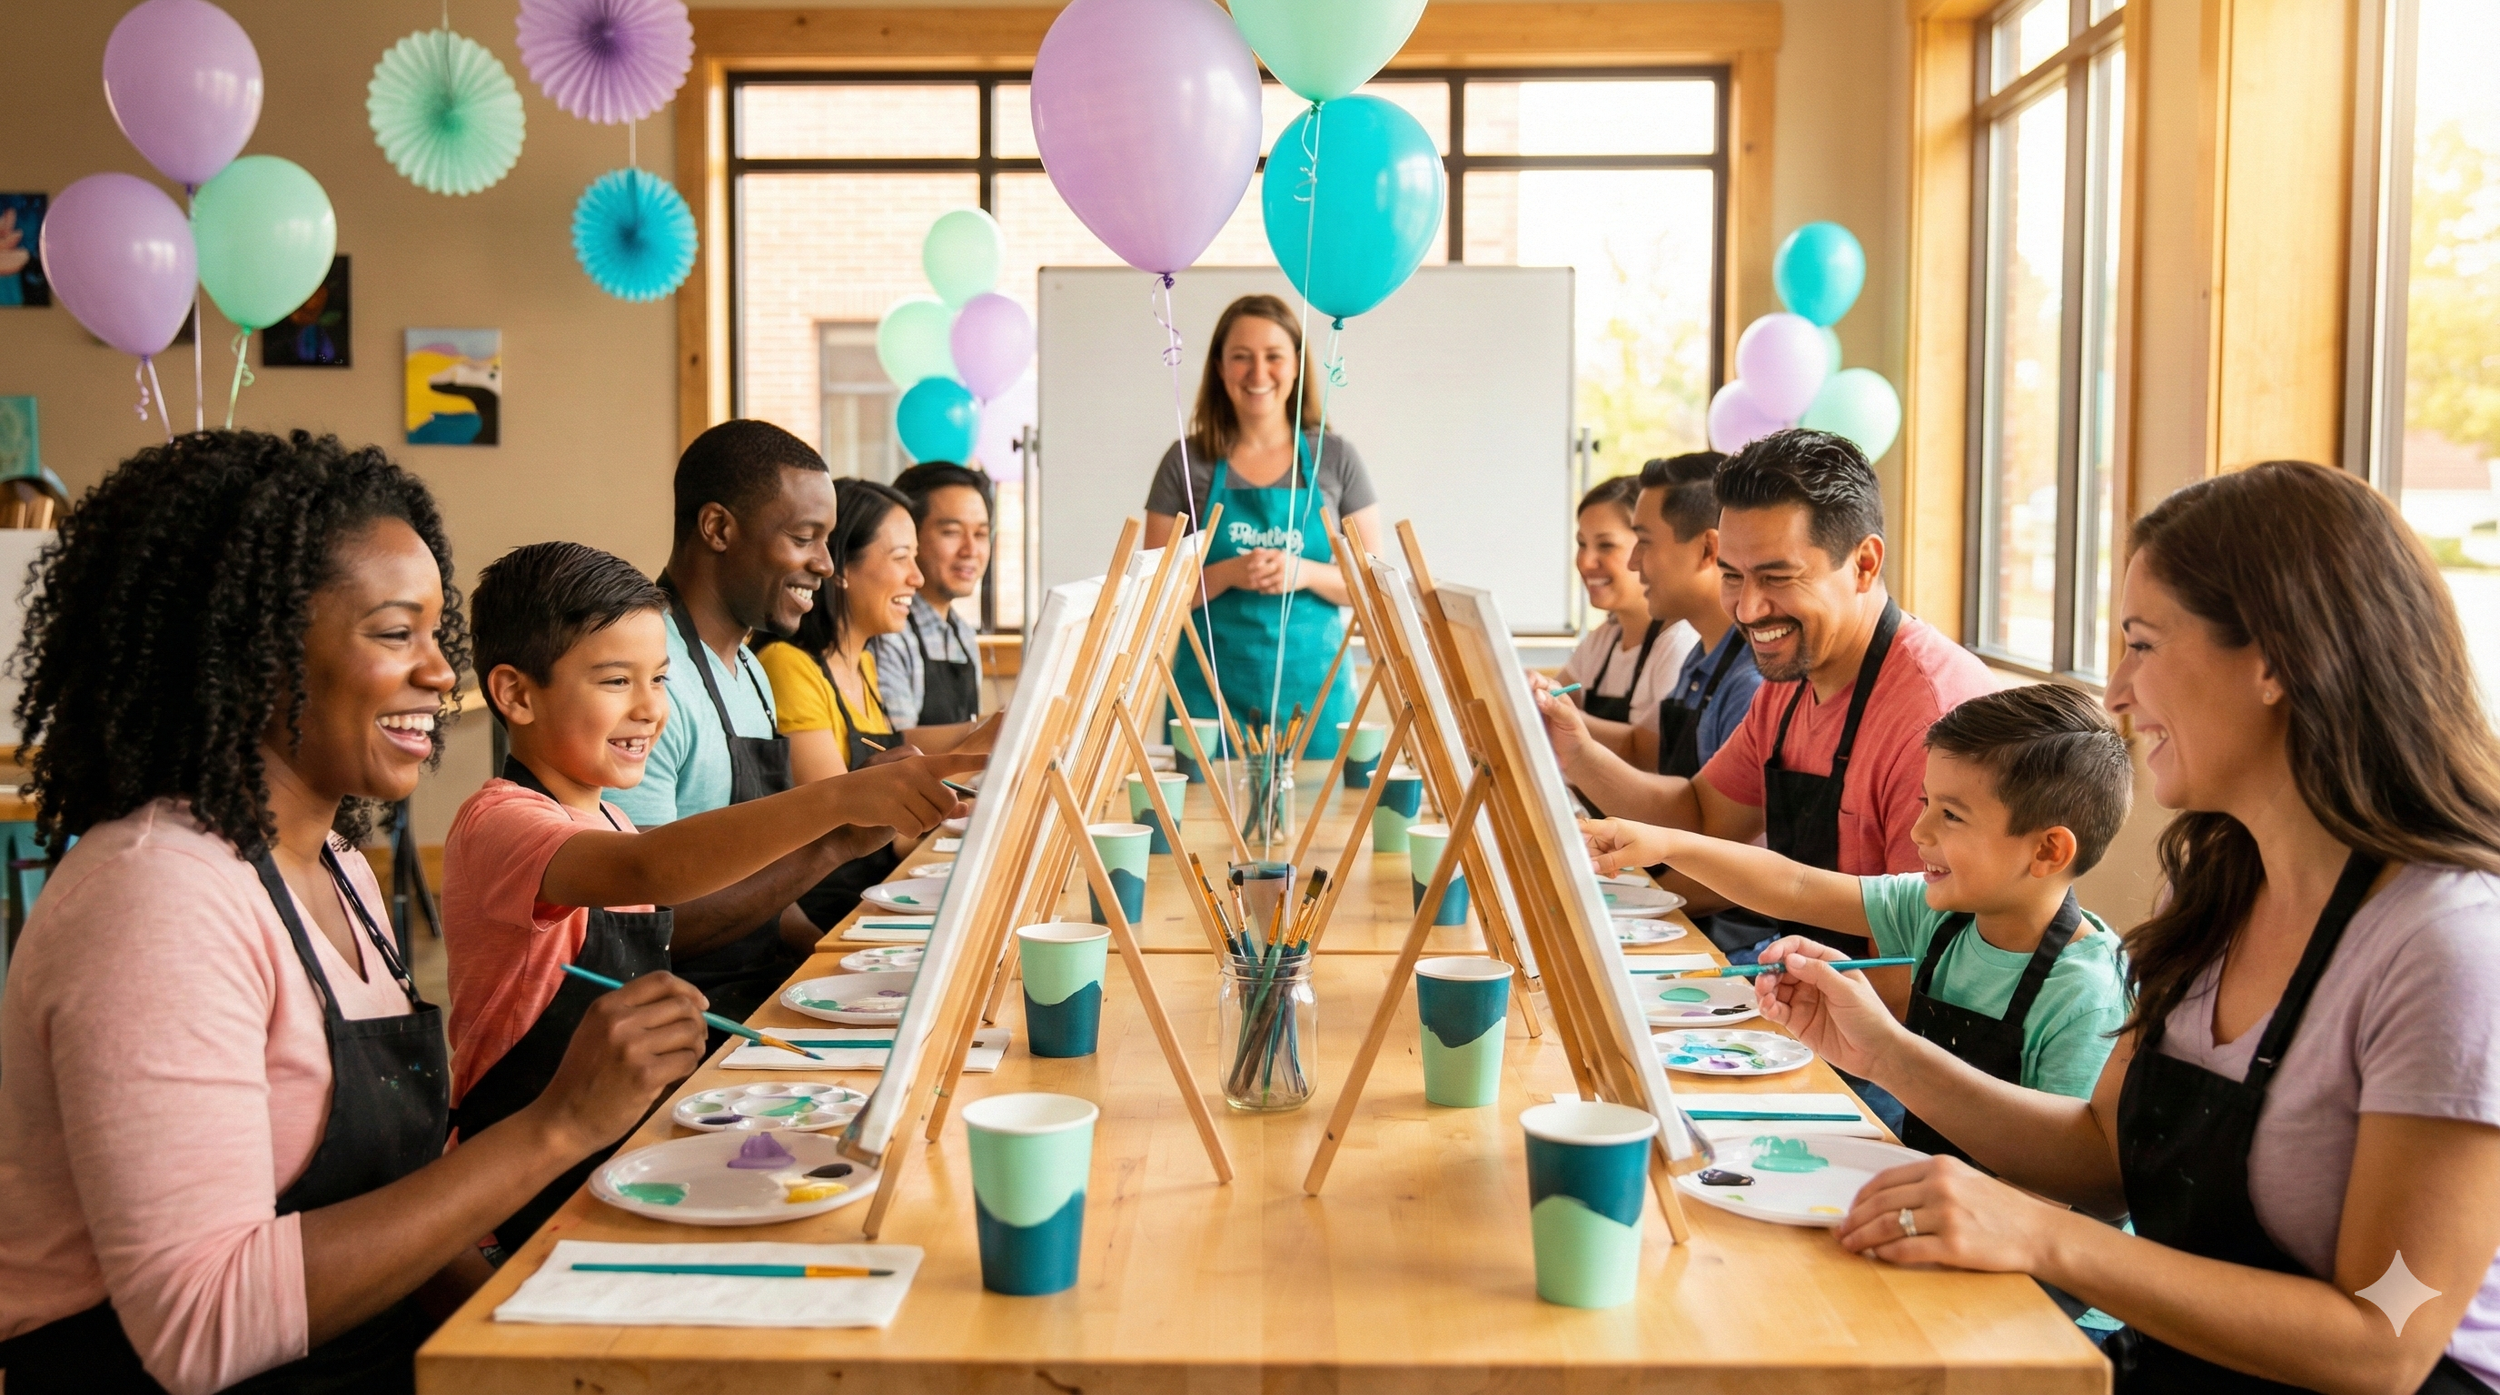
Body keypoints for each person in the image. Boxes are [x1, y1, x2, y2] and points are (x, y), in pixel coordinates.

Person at [1760, 461, 2500, 1394]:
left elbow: (2385, 1337)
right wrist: (1881, 1049)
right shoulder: (2221, 893)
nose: (2115, 692)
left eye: (2143, 645)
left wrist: (2035, 1231)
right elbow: (2105, 1153)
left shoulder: (2447, 943)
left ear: (2275, 658)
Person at [0, 431, 708, 1393]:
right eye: (394, 632)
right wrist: (556, 1126)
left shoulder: (338, 869)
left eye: (435, 634)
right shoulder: (158, 894)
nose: (439, 674)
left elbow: (392, 1192)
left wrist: (526, 1320)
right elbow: (200, 1327)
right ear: (253, 650)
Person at [444, 542, 972, 1254]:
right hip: (518, 1192)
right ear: (516, 694)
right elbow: (648, 870)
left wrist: (837, 840)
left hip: (616, 1155)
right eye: (614, 681)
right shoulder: (501, 821)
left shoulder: (608, 816)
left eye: (659, 679)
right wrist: (838, 795)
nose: (649, 708)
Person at [1584, 682, 2134, 1162]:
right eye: (1925, 803)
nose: (1919, 832)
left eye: (1951, 815)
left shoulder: (2085, 996)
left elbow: (2063, 1180)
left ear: (2048, 851)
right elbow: (1794, 886)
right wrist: (1666, 843)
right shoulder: (1936, 913)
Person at [1535, 429, 1995, 989]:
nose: (1748, 609)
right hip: (1804, 995)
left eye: (1777, 577)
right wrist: (1576, 753)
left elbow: (1926, 966)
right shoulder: (1794, 675)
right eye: (1732, 576)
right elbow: (1704, 817)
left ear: (1864, 564)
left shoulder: (1935, 716)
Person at [602, 419, 864, 1027]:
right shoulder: (644, 674)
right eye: (805, 537)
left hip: (761, 995)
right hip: (688, 1028)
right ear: (718, 528)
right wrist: (834, 843)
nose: (825, 564)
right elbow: (645, 922)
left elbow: (766, 895)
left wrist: (842, 957)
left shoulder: (749, 667)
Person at [1144, 293, 1380, 760]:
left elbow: (1374, 587)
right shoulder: (1185, 463)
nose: (1258, 374)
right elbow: (1152, 601)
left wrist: (1305, 573)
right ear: (1219, 367)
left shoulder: (1336, 459)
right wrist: (1229, 574)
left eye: (1273, 357)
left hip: (1314, 706)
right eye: (1241, 358)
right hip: (1208, 705)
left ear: (1296, 365)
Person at [757, 478, 967, 930]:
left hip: (873, 903)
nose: (918, 577)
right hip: (831, 916)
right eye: (901, 559)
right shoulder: (788, 667)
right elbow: (848, 833)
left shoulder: (862, 664)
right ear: (842, 568)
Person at [1553, 474, 1695, 776]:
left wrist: (1553, 712)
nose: (1586, 561)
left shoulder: (1679, 642)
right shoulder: (1602, 638)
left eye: (1606, 545)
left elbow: (1648, 752)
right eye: (1581, 544)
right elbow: (1558, 695)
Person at [870, 460, 992, 741]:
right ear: (908, 535)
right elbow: (893, 751)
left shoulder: (961, 633)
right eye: (951, 532)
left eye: (981, 534)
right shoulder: (890, 632)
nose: (970, 550)